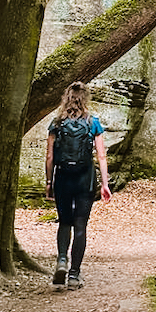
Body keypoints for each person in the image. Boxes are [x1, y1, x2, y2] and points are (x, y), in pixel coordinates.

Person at [45, 81, 112, 289]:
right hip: (86, 179)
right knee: (81, 225)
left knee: (65, 222)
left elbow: (49, 156)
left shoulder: (56, 123)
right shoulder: (93, 122)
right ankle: (74, 276)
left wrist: (49, 182)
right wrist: (105, 183)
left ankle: (62, 261)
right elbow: (101, 155)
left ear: (66, 98)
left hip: (63, 178)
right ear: (85, 99)